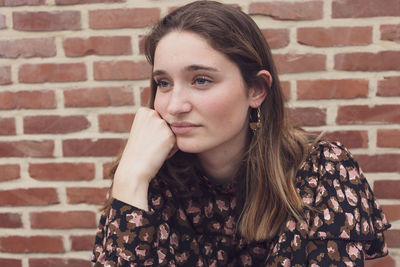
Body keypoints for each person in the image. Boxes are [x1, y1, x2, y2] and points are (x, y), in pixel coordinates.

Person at [91, 1, 390, 266]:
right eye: (164, 83)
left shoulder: (321, 171)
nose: (174, 105)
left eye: (201, 80)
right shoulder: (145, 175)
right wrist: (129, 178)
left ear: (256, 90)